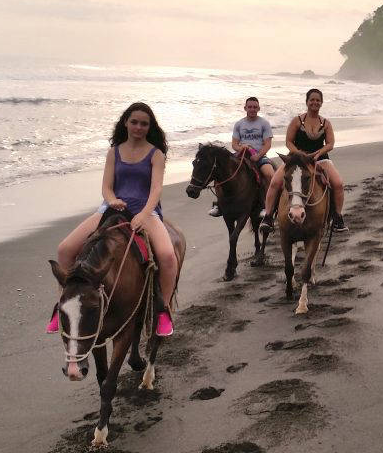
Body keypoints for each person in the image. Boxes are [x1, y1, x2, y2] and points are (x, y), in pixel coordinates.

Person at [46, 102, 179, 336]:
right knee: (65, 249)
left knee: (168, 256)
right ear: (125, 123)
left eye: (144, 123)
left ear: (150, 127)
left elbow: (156, 189)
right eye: (134, 122)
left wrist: (144, 214)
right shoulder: (114, 151)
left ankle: (163, 311)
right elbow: (106, 187)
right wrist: (112, 200)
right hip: (111, 208)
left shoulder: (156, 154)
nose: (138, 127)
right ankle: (62, 306)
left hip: (144, 210)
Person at [260, 88, 348, 232]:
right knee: (275, 182)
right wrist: (300, 154)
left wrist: (319, 153)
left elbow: (330, 144)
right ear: (307, 102)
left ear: (321, 103)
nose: (315, 102)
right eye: (312, 100)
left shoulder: (325, 123)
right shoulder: (297, 120)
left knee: (338, 183)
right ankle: (268, 217)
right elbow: (288, 142)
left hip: (319, 159)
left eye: (318, 100)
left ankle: (337, 218)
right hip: (296, 160)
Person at [208, 96, 275, 217]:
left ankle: (266, 205)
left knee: (270, 174)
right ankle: (219, 204)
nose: (252, 109)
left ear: (259, 108)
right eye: (250, 107)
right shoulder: (239, 124)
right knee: (220, 169)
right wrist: (242, 148)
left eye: (255, 107)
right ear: (245, 108)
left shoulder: (264, 123)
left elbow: (268, 144)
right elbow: (234, 144)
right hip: (241, 155)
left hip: (259, 155)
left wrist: (258, 155)